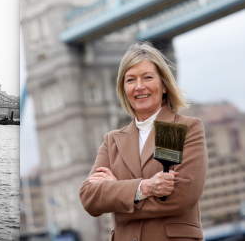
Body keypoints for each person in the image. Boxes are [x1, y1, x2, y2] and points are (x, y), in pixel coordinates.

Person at [79, 42, 207, 241]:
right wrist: (143, 188)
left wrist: (117, 194)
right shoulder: (112, 141)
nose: (139, 86)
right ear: (124, 89)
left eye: (147, 77)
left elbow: (180, 198)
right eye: (130, 80)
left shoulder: (177, 129)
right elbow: (90, 198)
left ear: (164, 85)